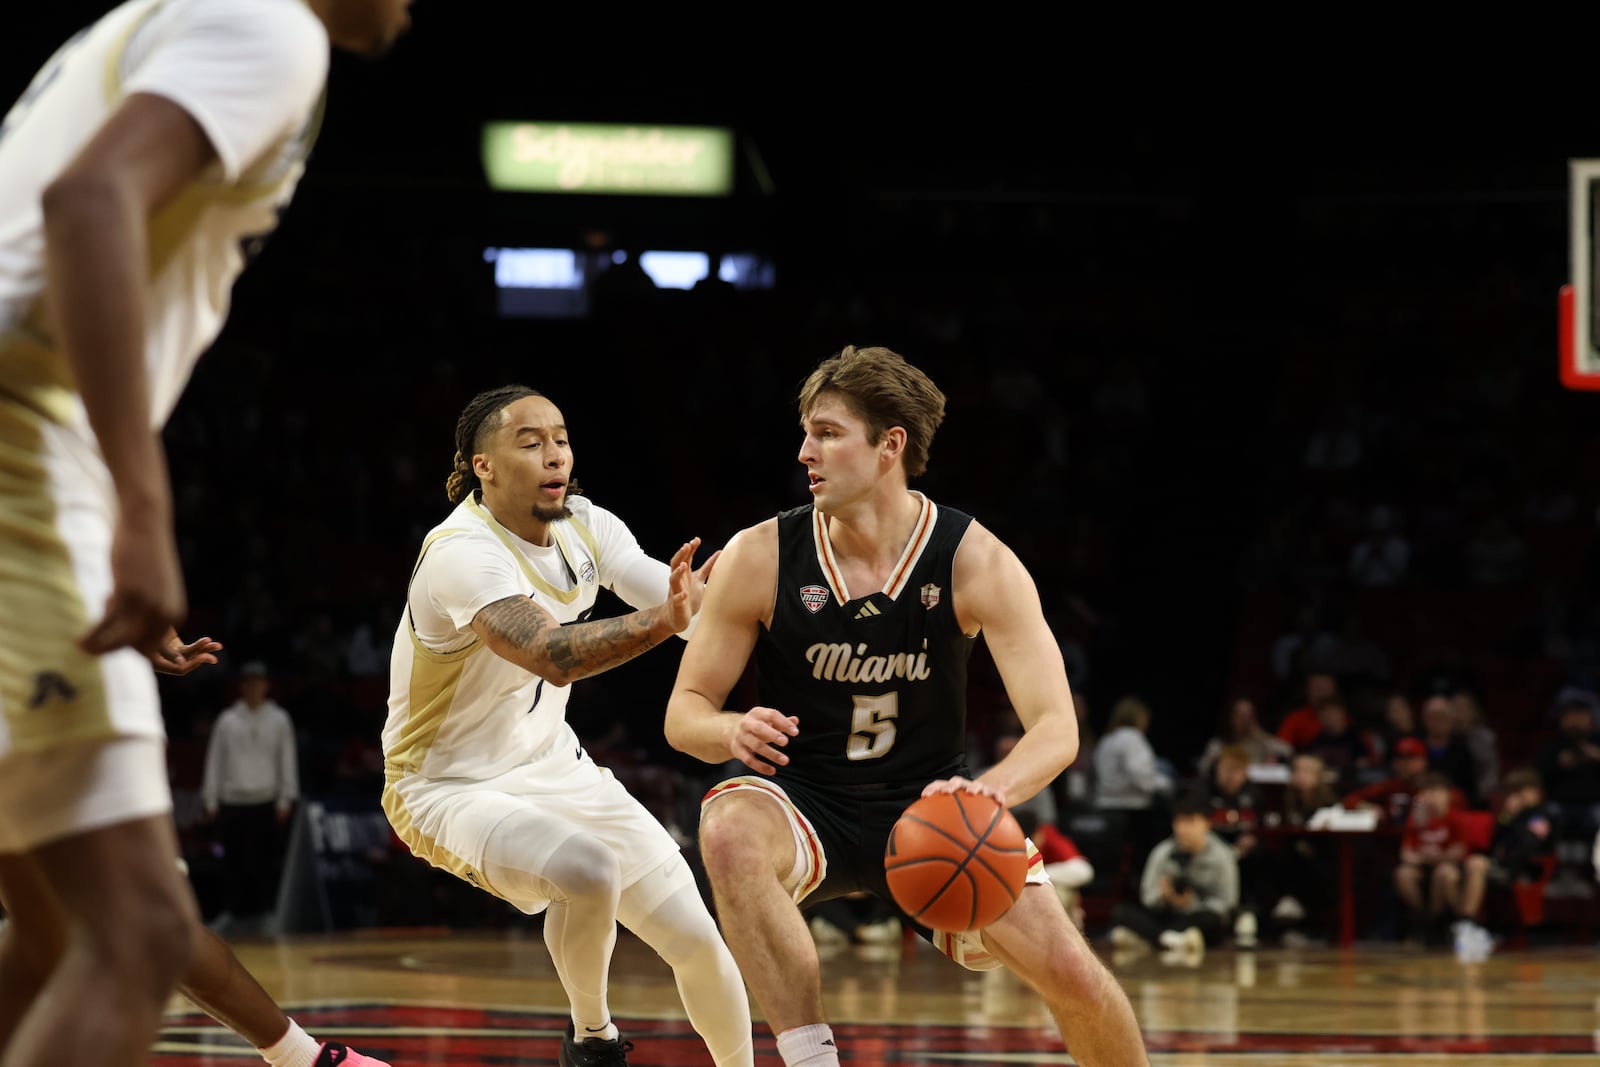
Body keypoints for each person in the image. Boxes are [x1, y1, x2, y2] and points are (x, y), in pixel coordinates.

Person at [0, 2, 411, 1066]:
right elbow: (87, 201)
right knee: (135, 931)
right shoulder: (275, 29)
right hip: (23, 451)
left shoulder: (162, 16)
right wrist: (141, 506)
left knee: (53, 933)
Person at [664, 346, 1150, 1066]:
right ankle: (811, 1058)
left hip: (932, 810)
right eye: (805, 432)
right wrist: (729, 725)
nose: (805, 451)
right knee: (728, 828)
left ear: (890, 445)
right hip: (805, 802)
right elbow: (685, 712)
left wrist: (989, 793)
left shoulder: (973, 558)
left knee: (1078, 977)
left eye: (827, 432)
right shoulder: (760, 554)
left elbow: (1057, 727)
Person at [382, 385, 754, 1067]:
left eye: (560, 437)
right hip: (445, 785)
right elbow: (551, 655)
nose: (554, 454)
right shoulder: (461, 552)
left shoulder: (586, 524)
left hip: (554, 763)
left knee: (699, 940)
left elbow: (673, 604)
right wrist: (667, 620)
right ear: (482, 464)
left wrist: (719, 603)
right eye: (530, 441)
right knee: (587, 868)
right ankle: (593, 1039)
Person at [201, 660, 298, 935]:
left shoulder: (279, 719)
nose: (254, 687)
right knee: (233, 863)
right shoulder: (227, 720)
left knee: (264, 862)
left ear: (266, 686)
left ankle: (265, 915)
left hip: (265, 801)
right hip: (233, 801)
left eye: (259, 682)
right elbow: (215, 761)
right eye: (249, 683)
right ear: (242, 687)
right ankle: (232, 913)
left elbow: (286, 759)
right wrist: (210, 798)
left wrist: (285, 798)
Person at [1107, 792, 1240, 958]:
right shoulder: (1162, 853)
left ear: (1207, 823)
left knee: (1212, 921)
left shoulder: (1222, 855)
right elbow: (1147, 897)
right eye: (1179, 822)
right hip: (1167, 916)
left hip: (1198, 916)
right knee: (1121, 912)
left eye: (1190, 822)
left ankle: (1156, 939)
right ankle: (1172, 939)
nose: (1183, 829)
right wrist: (1165, 895)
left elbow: (1227, 903)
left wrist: (1191, 904)